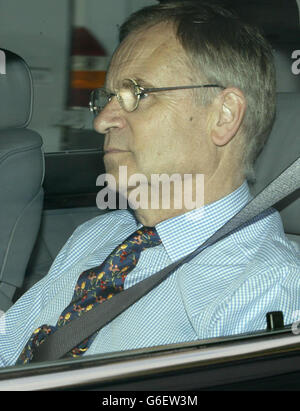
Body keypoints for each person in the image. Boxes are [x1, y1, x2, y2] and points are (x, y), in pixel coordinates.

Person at [0, 0, 299, 367]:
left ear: (224, 116)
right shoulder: (101, 234)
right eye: (107, 98)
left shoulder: (264, 289)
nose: (103, 121)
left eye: (135, 94)